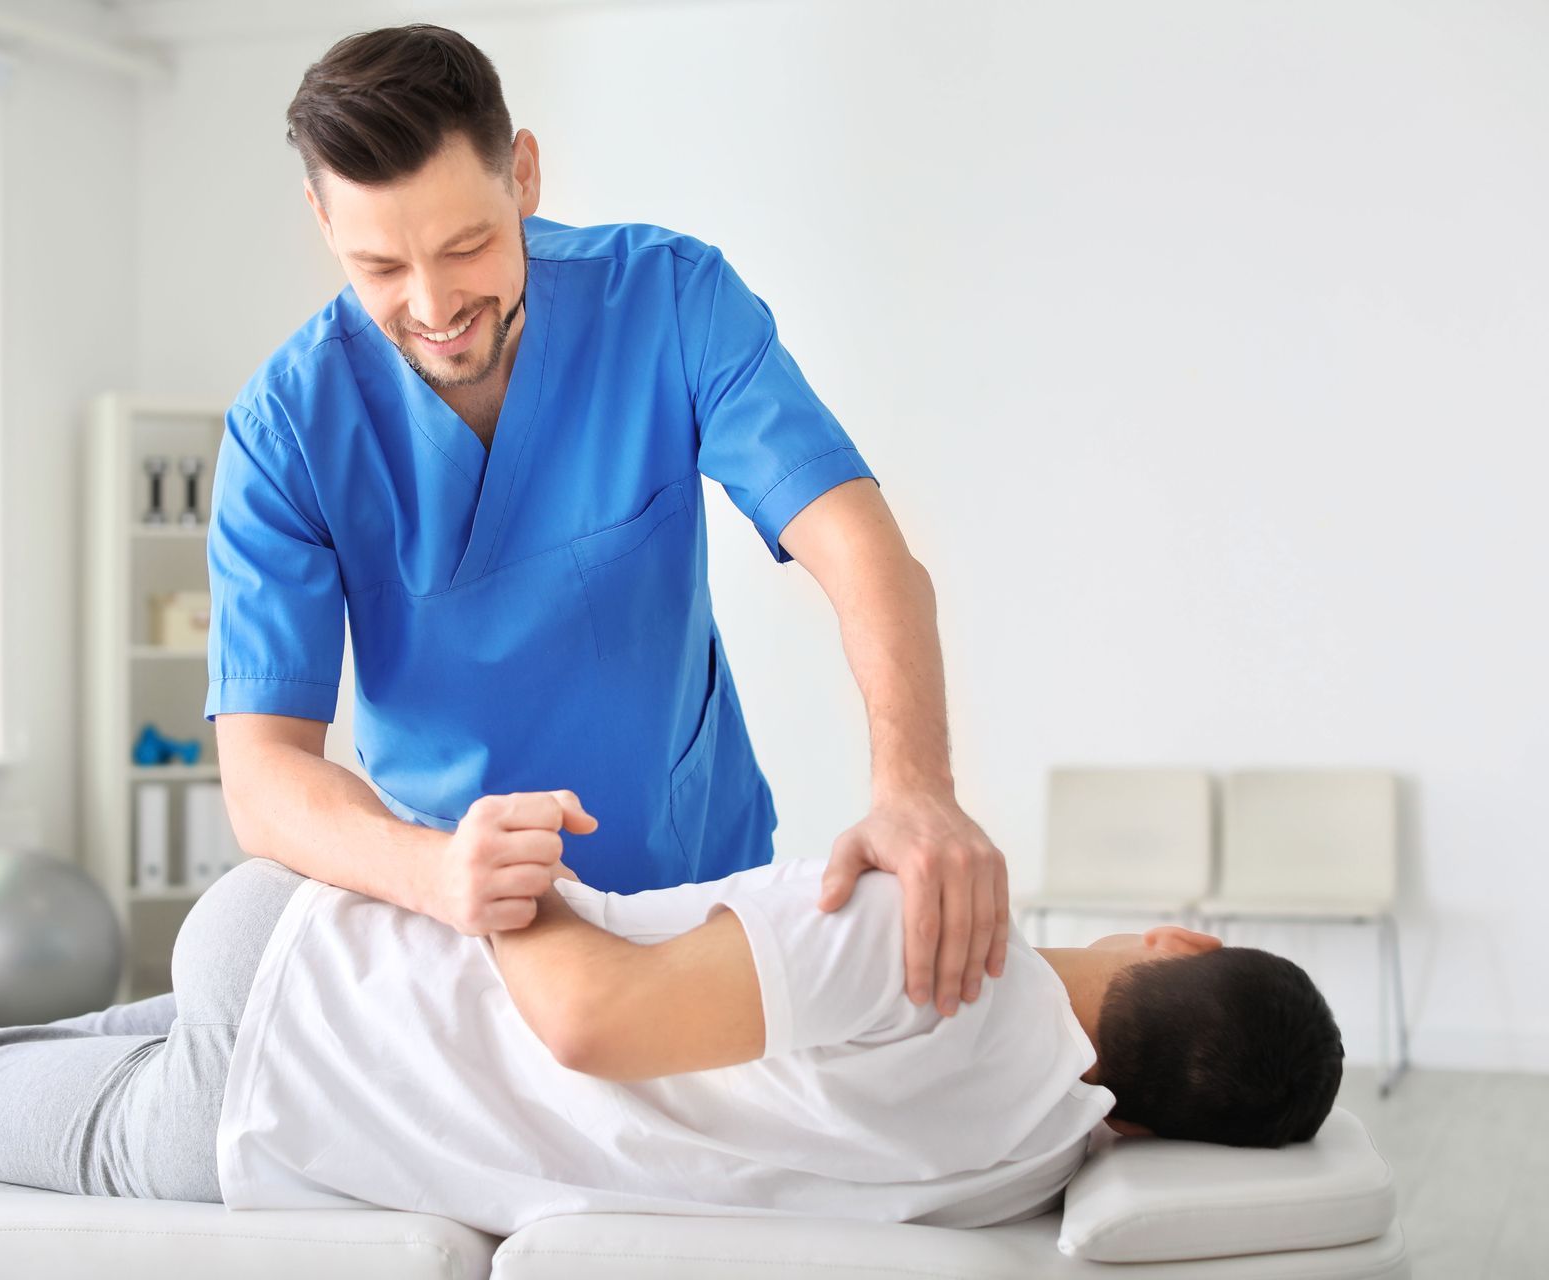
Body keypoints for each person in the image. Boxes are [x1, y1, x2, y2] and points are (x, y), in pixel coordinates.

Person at [208, 22, 1007, 1023]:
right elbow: (262, 771)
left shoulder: (670, 300)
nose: (436, 304)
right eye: (381, 269)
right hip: (460, 928)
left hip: (699, 896)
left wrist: (916, 784)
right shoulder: (286, 429)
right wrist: (436, 872)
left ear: (525, 175)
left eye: (468, 245)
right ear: (326, 226)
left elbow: (861, 549)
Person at [0, 792, 1344, 1236]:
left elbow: (594, 1022)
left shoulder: (939, 947)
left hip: (308, 1028)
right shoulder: (1024, 1162)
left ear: (1182, 936)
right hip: (273, 1113)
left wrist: (501, 857)